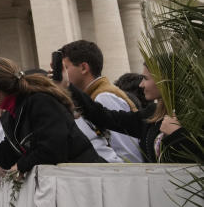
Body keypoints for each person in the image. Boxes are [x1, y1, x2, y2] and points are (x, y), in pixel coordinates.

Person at [0, 57, 103, 174]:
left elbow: (52, 149)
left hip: (86, 180)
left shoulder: (39, 101)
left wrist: (20, 166)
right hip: (67, 184)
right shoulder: (12, 114)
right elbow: (5, 158)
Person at [70, 67, 200, 162]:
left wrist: (178, 134)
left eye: (146, 78)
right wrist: (69, 86)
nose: (141, 84)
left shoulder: (195, 115)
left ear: (164, 80)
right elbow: (106, 117)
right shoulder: (153, 113)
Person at [59, 40, 140, 162]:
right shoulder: (97, 95)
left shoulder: (104, 97)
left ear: (83, 68)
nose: (62, 74)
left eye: (66, 68)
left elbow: (128, 155)